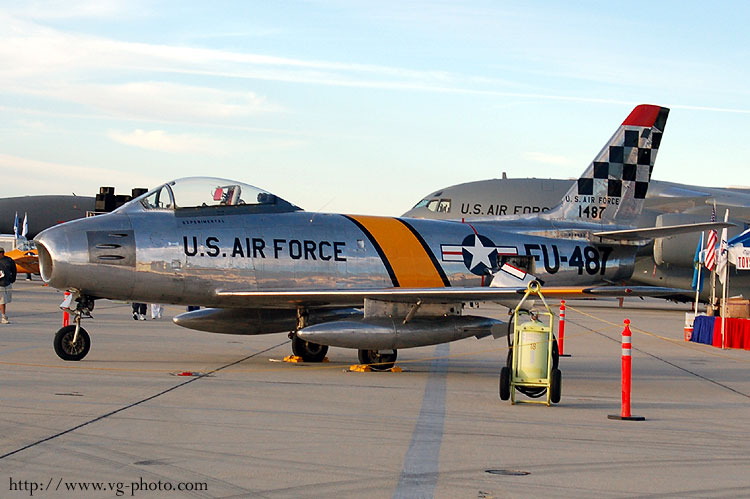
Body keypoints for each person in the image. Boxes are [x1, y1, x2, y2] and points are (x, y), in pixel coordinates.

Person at [0, 247, 17, 324]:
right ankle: (4, 317)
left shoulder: (9, 260)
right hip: (0, 284)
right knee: (2, 301)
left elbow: (14, 270)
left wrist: (12, 279)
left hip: (7, 283)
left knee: (5, 300)